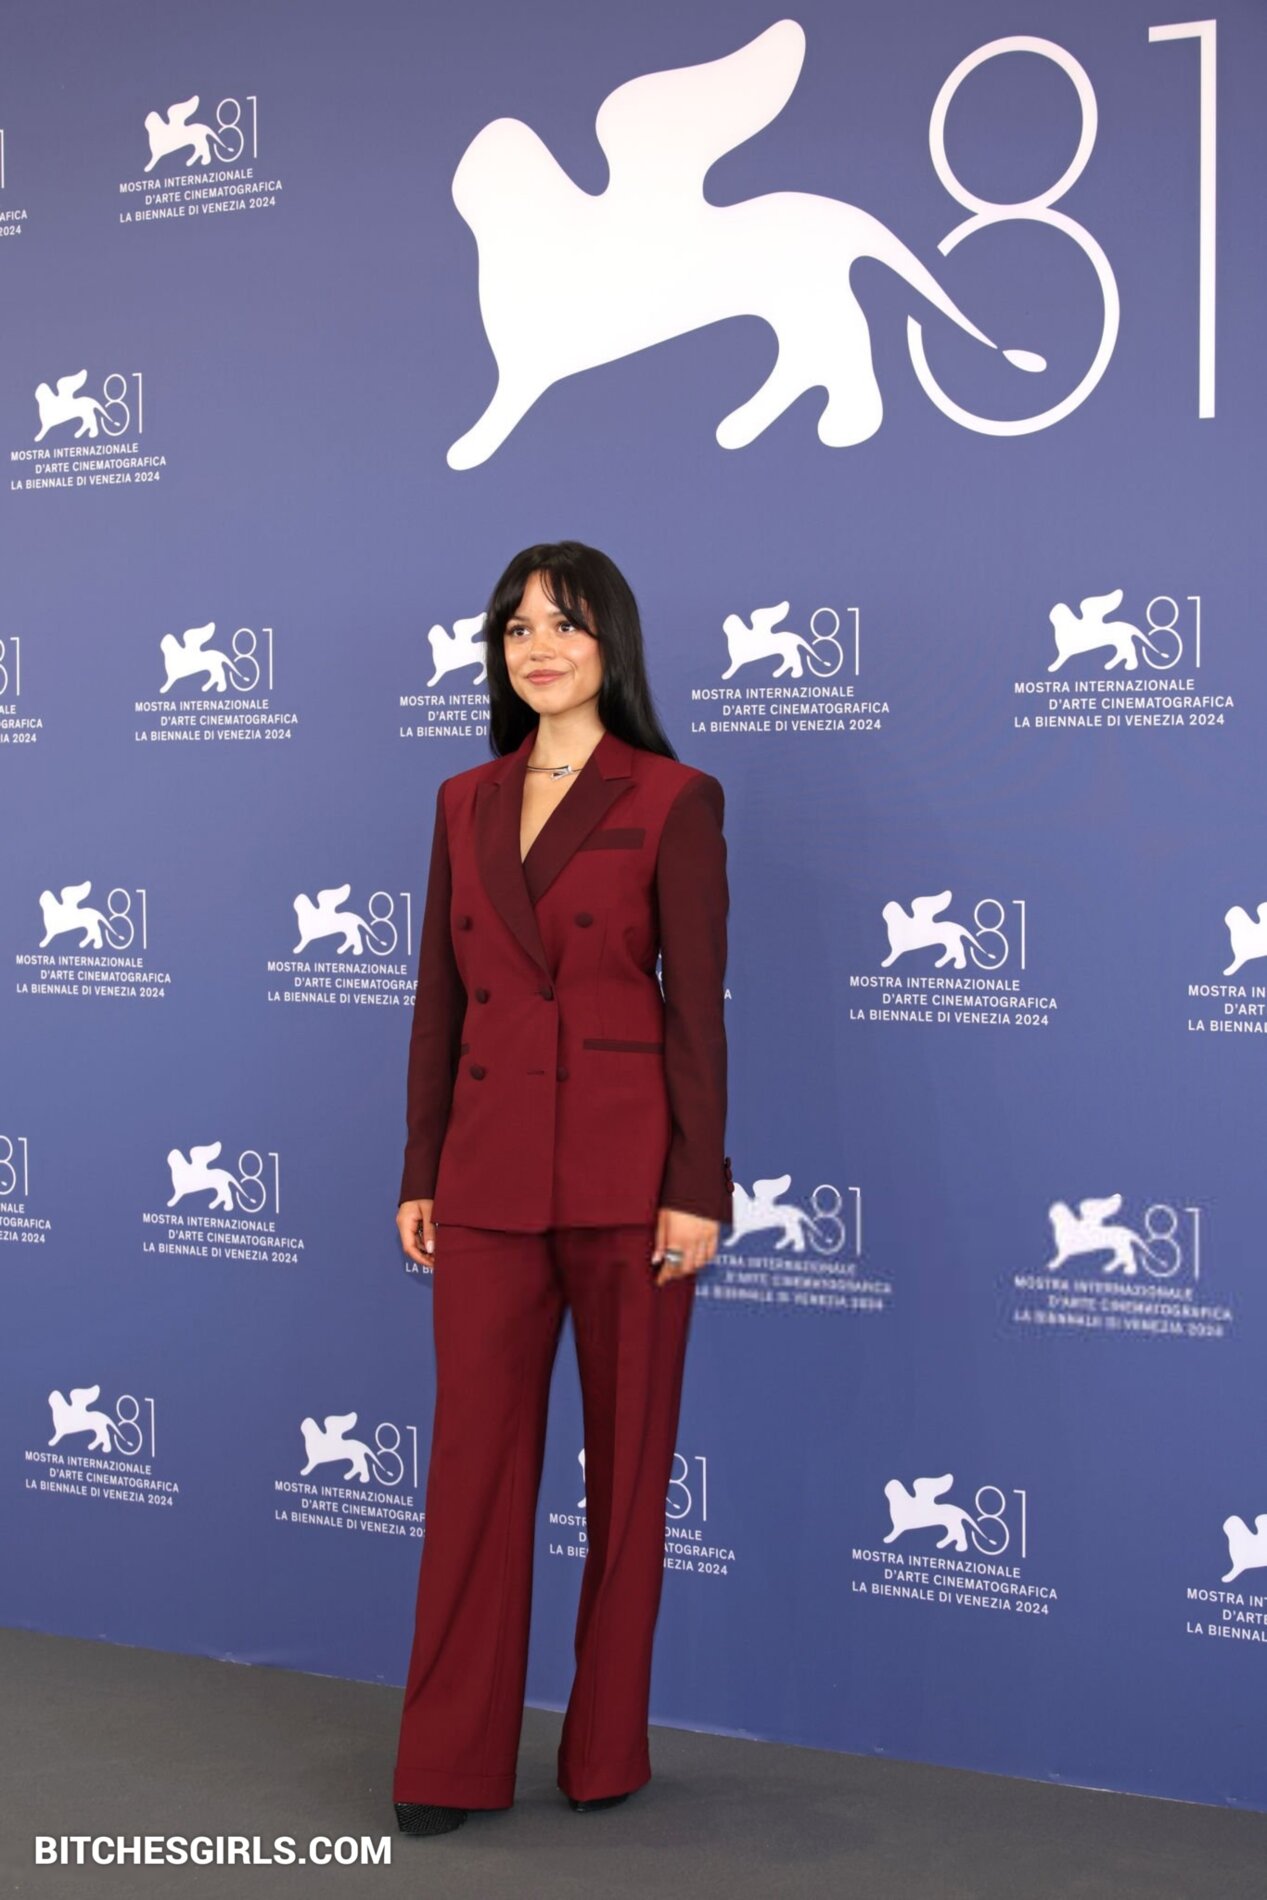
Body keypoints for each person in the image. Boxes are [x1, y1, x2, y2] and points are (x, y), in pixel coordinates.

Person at [391, 540, 733, 1837]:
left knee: (629, 1474)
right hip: (484, 1176)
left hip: (628, 1179)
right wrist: (423, 1167)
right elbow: (439, 999)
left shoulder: (674, 796)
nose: (539, 648)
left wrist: (696, 1185)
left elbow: (696, 1012)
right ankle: (446, 1761)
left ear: (612, 643)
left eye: (566, 624)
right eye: (518, 627)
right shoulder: (460, 800)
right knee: (472, 1469)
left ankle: (604, 1750)